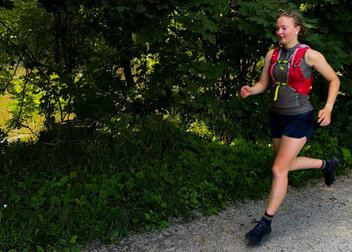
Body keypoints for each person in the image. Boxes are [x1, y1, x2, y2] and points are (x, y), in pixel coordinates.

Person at [240, 10, 340, 246]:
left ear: (297, 29)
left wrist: (328, 107)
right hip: (276, 117)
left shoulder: (310, 55)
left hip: (299, 118)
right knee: (285, 164)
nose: (279, 32)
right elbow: (263, 84)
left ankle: (265, 224)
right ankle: (326, 164)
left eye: (284, 27)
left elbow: (334, 79)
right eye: (277, 28)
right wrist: (251, 90)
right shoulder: (271, 55)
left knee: (278, 169)